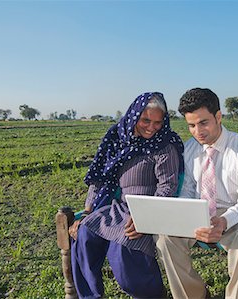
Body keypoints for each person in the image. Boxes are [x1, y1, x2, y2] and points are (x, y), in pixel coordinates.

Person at [68, 92, 184, 299]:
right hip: (117, 208)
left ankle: (153, 295)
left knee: (123, 249)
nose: (152, 127)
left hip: (146, 209)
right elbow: (100, 179)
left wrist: (145, 218)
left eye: (158, 122)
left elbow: (167, 187)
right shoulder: (116, 139)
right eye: (146, 120)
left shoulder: (165, 145)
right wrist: (87, 211)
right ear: (133, 115)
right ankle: (90, 296)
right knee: (84, 235)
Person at [155, 88, 238, 299]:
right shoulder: (189, 149)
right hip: (198, 212)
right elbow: (187, 190)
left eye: (203, 123)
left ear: (219, 117)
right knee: (165, 239)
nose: (197, 131)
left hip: (233, 214)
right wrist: (189, 213)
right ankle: (195, 295)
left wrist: (223, 221)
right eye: (191, 125)